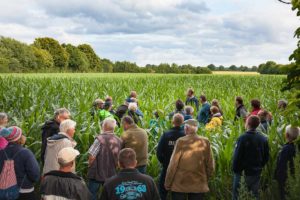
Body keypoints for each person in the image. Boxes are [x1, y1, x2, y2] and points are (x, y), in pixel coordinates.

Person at [165, 119, 215, 200]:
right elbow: (210, 164)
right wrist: (206, 177)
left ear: (187, 129)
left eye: (184, 127)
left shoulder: (181, 141)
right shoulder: (205, 141)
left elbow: (173, 164)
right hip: (199, 183)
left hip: (180, 183)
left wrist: (168, 182)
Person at [232, 115, 270, 200]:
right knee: (254, 195)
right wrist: (259, 166)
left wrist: (236, 170)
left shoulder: (242, 138)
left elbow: (237, 157)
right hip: (256, 172)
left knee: (237, 195)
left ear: (248, 124)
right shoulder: (263, 138)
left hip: (242, 173)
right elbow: (266, 156)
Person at [0, 126, 40, 200]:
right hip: (24, 192)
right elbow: (35, 174)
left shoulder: (1, 152)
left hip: (5, 191)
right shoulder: (26, 153)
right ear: (19, 138)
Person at [87, 118, 122, 200]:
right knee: (109, 195)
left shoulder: (99, 139)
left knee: (92, 193)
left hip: (96, 173)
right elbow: (119, 159)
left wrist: (89, 165)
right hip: (111, 173)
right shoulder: (118, 140)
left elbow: (92, 156)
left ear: (104, 126)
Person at [156, 113, 185, 200]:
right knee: (178, 192)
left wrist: (164, 162)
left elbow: (159, 152)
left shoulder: (166, 135)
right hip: (181, 168)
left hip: (167, 166)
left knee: (162, 190)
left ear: (172, 121)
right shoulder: (185, 136)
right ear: (182, 122)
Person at [274, 125, 300, 200]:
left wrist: (278, 178)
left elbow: (281, 166)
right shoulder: (297, 147)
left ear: (287, 135)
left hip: (286, 179)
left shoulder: (286, 149)